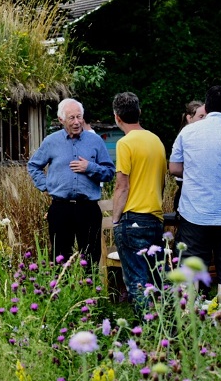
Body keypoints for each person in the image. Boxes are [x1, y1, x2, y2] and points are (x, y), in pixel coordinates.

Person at [169, 86, 221, 297]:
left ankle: (191, 316)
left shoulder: (187, 132)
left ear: (205, 107)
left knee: (191, 270)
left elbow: (174, 168)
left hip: (194, 214)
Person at [27, 98, 115, 265]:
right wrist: (46, 185)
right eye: (71, 118)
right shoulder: (51, 141)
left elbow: (109, 173)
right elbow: (33, 166)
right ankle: (60, 290)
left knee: (91, 260)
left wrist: (90, 167)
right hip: (61, 208)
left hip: (88, 208)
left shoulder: (95, 141)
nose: (77, 122)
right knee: (59, 259)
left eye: (79, 117)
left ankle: (91, 290)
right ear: (61, 120)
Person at [111, 92, 167, 314]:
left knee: (137, 281)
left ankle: (145, 332)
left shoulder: (125, 143)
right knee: (157, 279)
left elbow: (122, 186)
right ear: (139, 113)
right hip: (156, 219)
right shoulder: (157, 141)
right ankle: (164, 330)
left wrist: (116, 220)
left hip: (133, 220)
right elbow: (161, 182)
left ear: (117, 118)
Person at [172, 101, 206, 215]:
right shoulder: (185, 135)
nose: (204, 120)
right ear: (189, 118)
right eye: (201, 116)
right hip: (185, 187)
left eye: (206, 116)